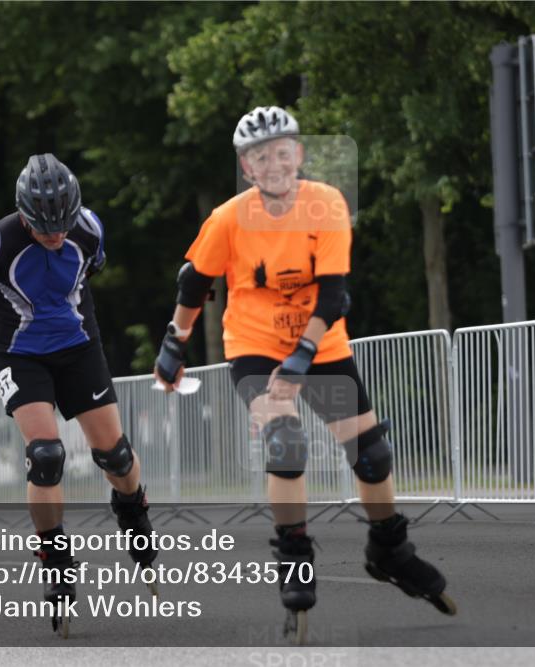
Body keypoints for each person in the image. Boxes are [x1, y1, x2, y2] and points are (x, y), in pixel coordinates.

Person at [153, 107, 456, 642]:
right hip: (254, 346)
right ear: (247, 167)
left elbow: (334, 293)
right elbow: (193, 284)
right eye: (260, 156)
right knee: (287, 443)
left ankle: (389, 549)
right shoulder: (228, 219)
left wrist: (303, 358)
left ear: (300, 154)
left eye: (282, 151)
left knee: (371, 454)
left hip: (321, 343)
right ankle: (294, 557)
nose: (274, 163)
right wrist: (174, 344)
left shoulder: (327, 204)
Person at [0, 153, 157, 635]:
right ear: (24, 215)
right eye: (45, 229)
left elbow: (90, 272)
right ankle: (55, 558)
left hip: (78, 346)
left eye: (62, 225)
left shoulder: (89, 229)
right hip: (19, 352)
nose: (56, 236)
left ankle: (133, 511)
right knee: (46, 455)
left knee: (117, 456)